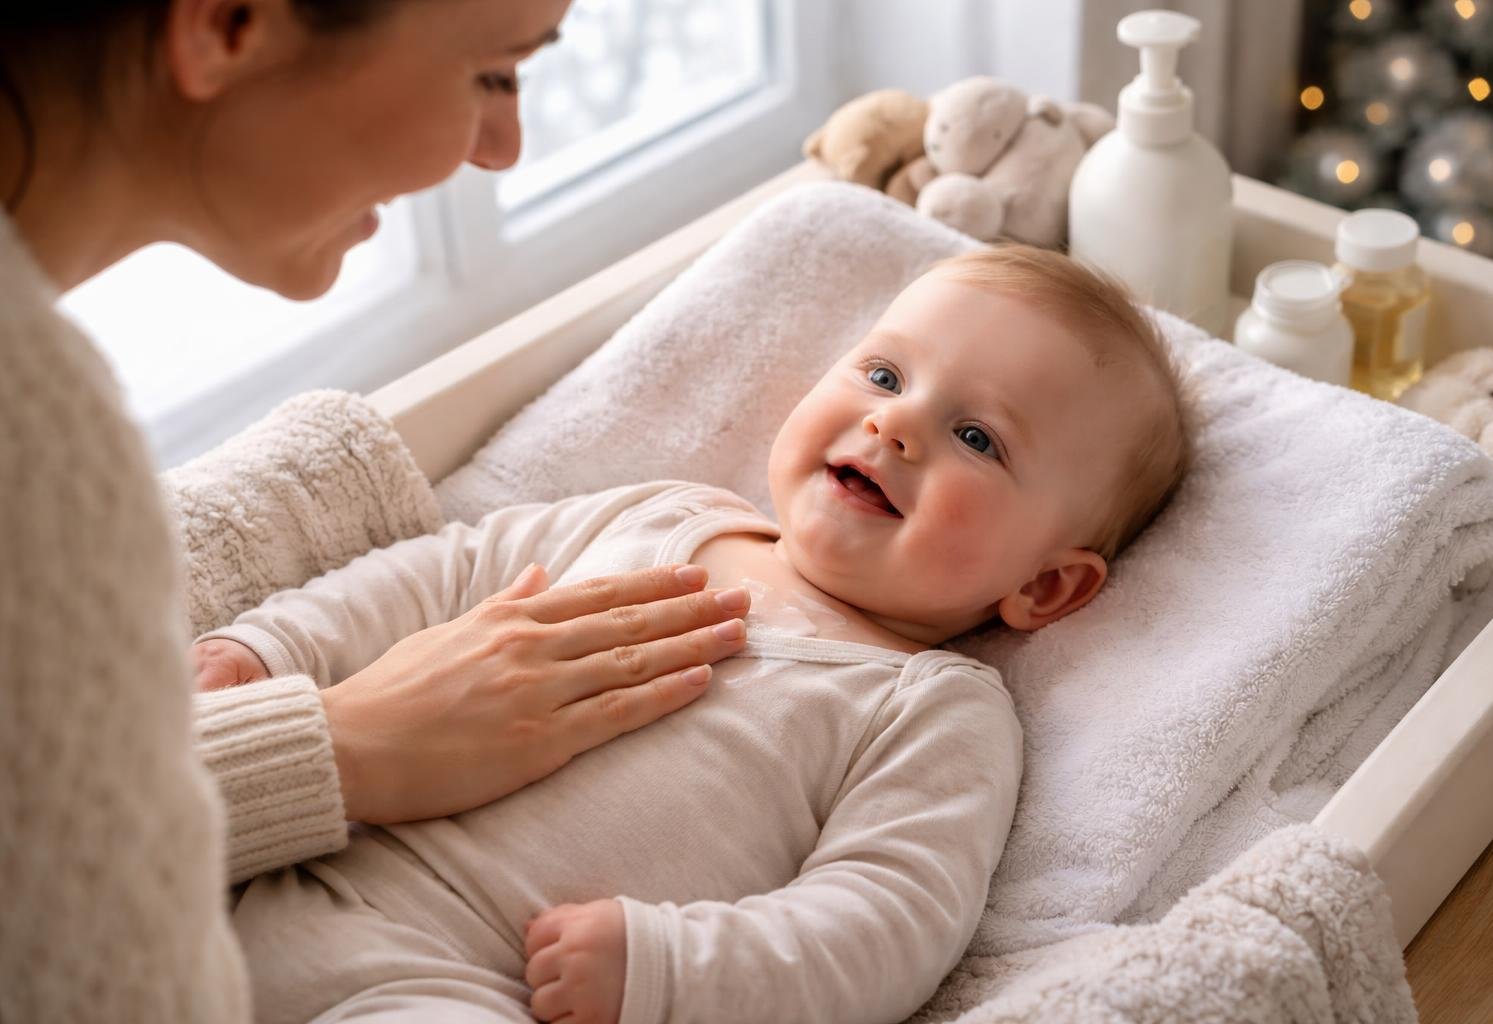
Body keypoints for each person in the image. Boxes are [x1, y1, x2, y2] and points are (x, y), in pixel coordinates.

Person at [192, 246, 1192, 1024]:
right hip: (274, 847)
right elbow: (441, 573)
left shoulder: (929, 708)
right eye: (884, 374)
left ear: (1048, 586)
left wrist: (668, 967)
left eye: (978, 437)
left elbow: (886, 919)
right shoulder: (662, 516)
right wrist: (275, 651)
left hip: (442, 976)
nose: (896, 426)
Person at [0, 3, 761, 1019]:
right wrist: (335, 747)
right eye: (494, 73)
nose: (505, 148)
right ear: (230, 24)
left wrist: (313, 743)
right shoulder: (39, 449)